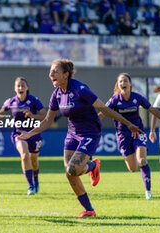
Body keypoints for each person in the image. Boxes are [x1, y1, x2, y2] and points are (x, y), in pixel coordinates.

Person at [17, 59, 143, 217]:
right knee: (69, 173)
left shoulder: (80, 89)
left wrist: (128, 123)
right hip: (72, 134)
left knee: (73, 169)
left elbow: (104, 108)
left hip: (90, 132)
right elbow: (48, 121)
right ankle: (89, 210)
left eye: (55, 71)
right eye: (50, 71)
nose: (51, 74)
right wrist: (29, 133)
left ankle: (92, 166)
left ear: (65, 74)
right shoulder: (56, 94)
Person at [100, 73, 160, 200]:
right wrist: (92, 122)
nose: (122, 83)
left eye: (125, 81)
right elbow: (103, 111)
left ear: (130, 84)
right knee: (132, 168)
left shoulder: (137, 98)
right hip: (123, 135)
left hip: (138, 132)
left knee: (142, 160)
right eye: (120, 81)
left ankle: (148, 192)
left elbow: (152, 110)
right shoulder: (115, 99)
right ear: (118, 85)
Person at [0, 77, 46, 195]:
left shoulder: (34, 100)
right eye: (18, 86)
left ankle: (35, 179)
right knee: (25, 155)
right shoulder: (11, 102)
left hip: (34, 134)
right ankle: (30, 186)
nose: (21, 88)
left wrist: (32, 116)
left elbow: (45, 117)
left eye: (23, 85)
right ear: (15, 88)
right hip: (19, 134)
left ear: (27, 88)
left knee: (34, 161)